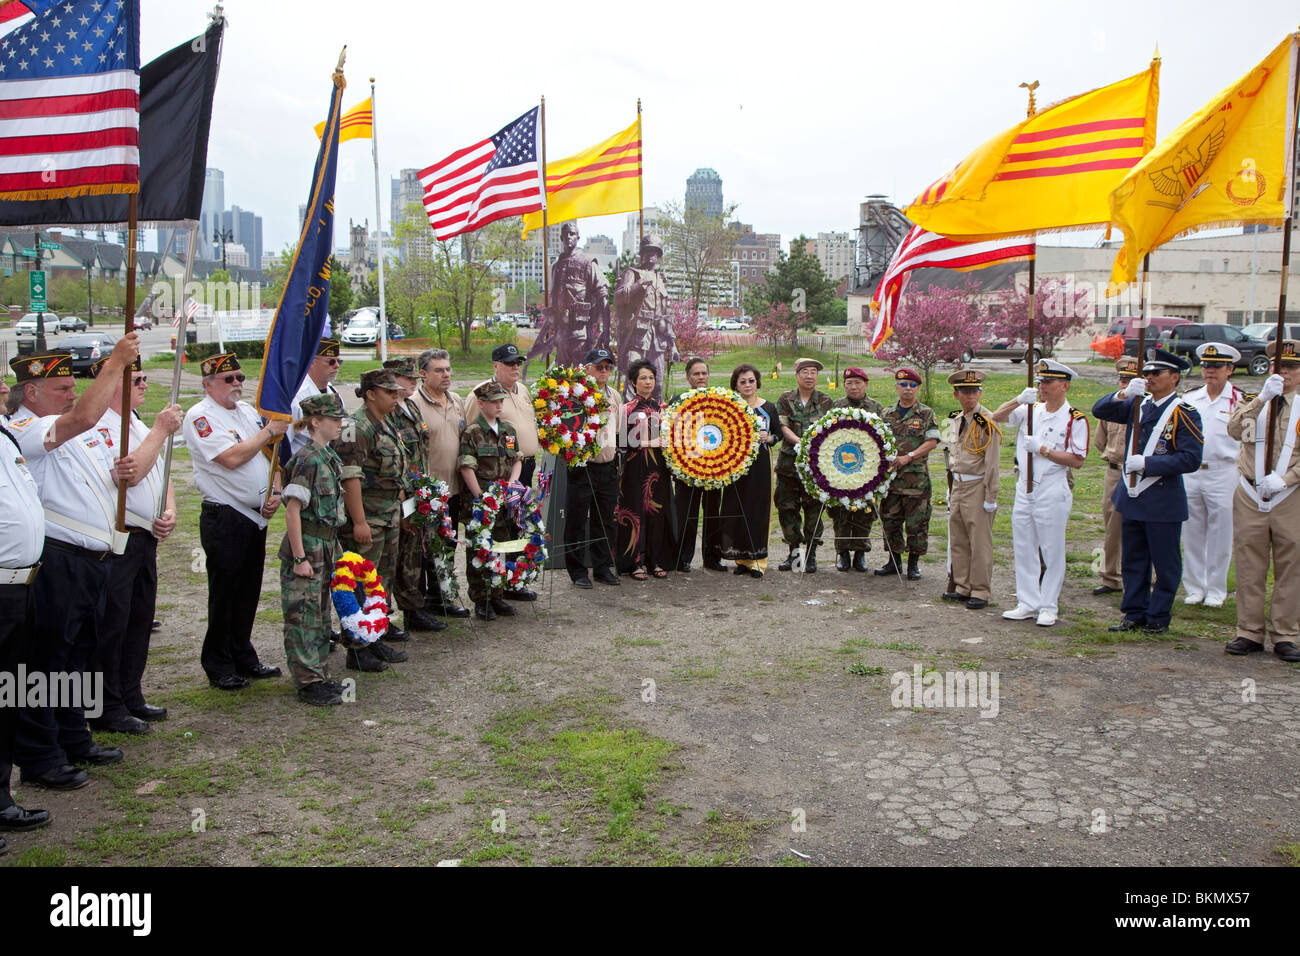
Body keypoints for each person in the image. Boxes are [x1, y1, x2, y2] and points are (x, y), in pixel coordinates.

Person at [7, 336, 140, 790]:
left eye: (71, 386)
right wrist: (116, 362)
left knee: (78, 657)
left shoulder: (66, 425)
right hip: (59, 561)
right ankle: (42, 755)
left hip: (93, 560)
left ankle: (73, 735)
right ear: (31, 391)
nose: (71, 394)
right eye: (63, 387)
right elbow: (82, 416)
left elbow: (93, 469)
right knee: (46, 662)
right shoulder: (25, 427)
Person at [183, 352, 287, 690]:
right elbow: (230, 457)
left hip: (255, 515)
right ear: (208, 384)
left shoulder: (244, 412)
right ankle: (218, 663)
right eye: (229, 380)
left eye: (240, 378)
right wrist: (268, 432)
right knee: (225, 594)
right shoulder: (202, 416)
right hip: (225, 515)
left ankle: (243, 654)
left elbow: (270, 458)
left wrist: (275, 491)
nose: (237, 385)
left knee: (248, 593)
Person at [91, 357, 182, 734]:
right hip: (118, 539)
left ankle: (131, 693)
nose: (145, 384)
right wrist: (161, 429)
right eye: (138, 379)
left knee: (139, 621)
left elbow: (161, 472)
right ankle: (106, 705)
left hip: (145, 536)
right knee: (112, 624)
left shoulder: (136, 422)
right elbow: (130, 472)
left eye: (145, 378)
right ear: (114, 383)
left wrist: (170, 509)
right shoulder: (100, 426)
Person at [1092, 348, 1204, 634]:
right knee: (1134, 560)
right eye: (1148, 373)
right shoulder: (1137, 404)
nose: (1150, 377)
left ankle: (1158, 615)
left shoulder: (1184, 412)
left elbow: (1190, 458)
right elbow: (1100, 411)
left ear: (1175, 377)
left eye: (1157, 373)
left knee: (1165, 563)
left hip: (1162, 497)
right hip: (1132, 497)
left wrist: (1149, 463)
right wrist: (1124, 394)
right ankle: (1134, 611)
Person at [990, 359, 1089, 627]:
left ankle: (1048, 604)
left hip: (1052, 485)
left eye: (1048, 382)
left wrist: (1044, 449)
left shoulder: (1074, 418)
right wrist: (1016, 400)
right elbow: (995, 417)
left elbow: (1077, 459)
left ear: (1065, 385)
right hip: (1025, 485)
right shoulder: (1030, 410)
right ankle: (1027, 601)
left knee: (1051, 548)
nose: (1042, 386)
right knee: (1023, 545)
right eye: (1040, 381)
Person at [1224, 339, 1300, 662]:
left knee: (1291, 564)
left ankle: (1286, 634)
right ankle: (1249, 631)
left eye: (1291, 367)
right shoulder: (1256, 400)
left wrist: (1287, 478)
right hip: (1251, 492)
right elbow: (1233, 429)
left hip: (1289, 493)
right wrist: (1262, 399)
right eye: (1278, 366)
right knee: (1249, 563)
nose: (1284, 373)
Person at [335, 369, 412, 670]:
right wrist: (359, 522)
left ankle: (374, 637)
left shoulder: (386, 421)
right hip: (367, 518)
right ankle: (356, 647)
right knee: (357, 583)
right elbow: (349, 477)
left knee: (380, 583)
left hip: (388, 516)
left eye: (396, 392)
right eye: (389, 392)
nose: (396, 397)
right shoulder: (356, 427)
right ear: (370, 394)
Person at [0, 405, 51, 845]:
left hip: (21, 586)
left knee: (10, 694)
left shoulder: (6, 434)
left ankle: (1, 799)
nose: (3, 387)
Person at [280, 393, 348, 705]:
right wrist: (299, 558)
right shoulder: (307, 460)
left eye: (340, 419)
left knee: (320, 614)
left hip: (325, 544)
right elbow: (292, 510)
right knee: (303, 615)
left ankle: (319, 674)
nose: (340, 425)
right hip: (307, 545)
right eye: (333, 419)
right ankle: (308, 682)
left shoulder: (328, 457)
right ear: (315, 421)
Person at [463, 343, 541, 602]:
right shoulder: (481, 395)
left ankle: (511, 583)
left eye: (518, 362)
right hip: (488, 481)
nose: (515, 367)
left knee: (514, 528)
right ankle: (488, 593)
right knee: (489, 536)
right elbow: (474, 436)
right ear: (496, 366)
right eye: (509, 363)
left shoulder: (523, 390)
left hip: (520, 471)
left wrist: (514, 483)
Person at [382, 356, 445, 633]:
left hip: (416, 492)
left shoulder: (411, 407)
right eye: (406, 378)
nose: (411, 383)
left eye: (413, 379)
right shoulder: (388, 411)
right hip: (397, 494)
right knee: (391, 559)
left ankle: (413, 609)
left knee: (413, 555)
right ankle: (382, 617)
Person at [1180, 343, 1246, 607]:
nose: (1210, 371)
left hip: (1224, 471)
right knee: (1192, 530)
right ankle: (1195, 586)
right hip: (1192, 471)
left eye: (1216, 366)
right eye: (1206, 365)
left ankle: (1217, 589)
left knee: (1221, 532)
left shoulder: (1240, 400)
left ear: (1230, 369)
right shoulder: (1190, 398)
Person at [411, 348, 470, 617]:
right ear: (423, 374)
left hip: (454, 489)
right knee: (426, 550)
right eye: (439, 370)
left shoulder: (456, 400)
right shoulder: (413, 404)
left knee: (447, 546)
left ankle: (443, 596)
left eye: (448, 369)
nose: (446, 374)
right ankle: (426, 601)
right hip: (429, 493)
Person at [459, 381, 523, 619]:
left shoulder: (507, 430)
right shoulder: (472, 432)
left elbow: (517, 458)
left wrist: (512, 485)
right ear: (480, 403)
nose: (499, 405)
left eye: (501, 401)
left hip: (503, 498)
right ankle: (481, 599)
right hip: (481, 501)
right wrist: (481, 498)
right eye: (494, 401)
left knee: (500, 546)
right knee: (479, 550)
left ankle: (497, 595)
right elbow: (467, 467)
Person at [941, 369, 1001, 610]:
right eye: (965, 392)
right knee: (958, 538)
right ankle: (962, 585)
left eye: (974, 391)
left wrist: (991, 495)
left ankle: (980, 590)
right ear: (956, 394)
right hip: (958, 483)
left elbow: (993, 462)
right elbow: (948, 453)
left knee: (979, 541)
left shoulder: (986, 421)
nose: (970, 397)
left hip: (977, 484)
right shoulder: (953, 418)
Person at [874, 367, 940, 581]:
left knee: (916, 524)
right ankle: (894, 562)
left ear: (918, 388)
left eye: (912, 385)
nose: (908, 389)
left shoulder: (926, 413)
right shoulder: (886, 413)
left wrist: (909, 456)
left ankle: (913, 564)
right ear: (897, 387)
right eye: (903, 385)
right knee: (890, 521)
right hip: (891, 481)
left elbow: (932, 441)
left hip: (915, 480)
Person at [564, 348, 623, 588]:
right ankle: (577, 571)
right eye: (599, 366)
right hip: (582, 466)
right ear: (586, 368)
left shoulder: (614, 396)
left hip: (607, 466)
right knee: (577, 520)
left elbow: (616, 431)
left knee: (605, 520)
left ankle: (601, 567)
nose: (604, 371)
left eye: (608, 367)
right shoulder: (575, 395)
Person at [615, 359, 677, 579]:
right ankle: (633, 563)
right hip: (635, 468)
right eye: (643, 378)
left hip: (659, 469)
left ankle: (656, 560)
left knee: (657, 513)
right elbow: (621, 440)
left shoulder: (663, 408)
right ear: (633, 382)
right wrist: (649, 443)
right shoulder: (627, 409)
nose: (648, 381)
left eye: (651, 377)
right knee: (634, 513)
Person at [719, 363, 780, 577]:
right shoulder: (729, 406)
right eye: (742, 381)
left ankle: (757, 560)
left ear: (757, 382)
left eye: (751, 381)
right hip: (734, 465)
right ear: (736, 384)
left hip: (760, 465)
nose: (747, 385)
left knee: (758, 509)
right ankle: (741, 559)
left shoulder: (768, 407)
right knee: (737, 508)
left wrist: (770, 437)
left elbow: (778, 434)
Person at [775, 357, 833, 571]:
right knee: (787, 508)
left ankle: (811, 554)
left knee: (814, 509)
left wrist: (814, 447)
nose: (810, 376)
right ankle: (794, 553)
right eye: (805, 372)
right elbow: (782, 426)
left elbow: (832, 430)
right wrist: (802, 443)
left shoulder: (826, 401)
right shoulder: (785, 399)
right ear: (797, 375)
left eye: (814, 372)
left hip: (816, 468)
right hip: (789, 465)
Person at [526, 222, 610, 369]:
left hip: (581, 334)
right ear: (561, 238)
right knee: (561, 381)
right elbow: (554, 306)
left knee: (583, 380)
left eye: (572, 234)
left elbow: (603, 297)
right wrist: (541, 339)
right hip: (561, 335)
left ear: (578, 237)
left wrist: (606, 331)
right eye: (566, 234)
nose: (569, 237)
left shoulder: (588, 263)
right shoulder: (557, 267)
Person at [1091, 356, 1140, 596]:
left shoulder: (1147, 406)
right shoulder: (1112, 406)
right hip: (1114, 469)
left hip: (1140, 472)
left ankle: (1143, 576)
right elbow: (1100, 441)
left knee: (1141, 525)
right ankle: (1110, 576)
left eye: (1130, 380)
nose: (1125, 385)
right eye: (1123, 380)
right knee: (1111, 524)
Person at [669, 357, 723, 572]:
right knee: (686, 515)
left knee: (713, 514)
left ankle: (712, 558)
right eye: (696, 374)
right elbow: (670, 434)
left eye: (704, 373)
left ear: (708, 375)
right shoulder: (678, 400)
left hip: (715, 469)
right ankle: (682, 558)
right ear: (688, 377)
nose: (701, 377)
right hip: (687, 470)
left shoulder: (720, 399)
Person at [830, 367, 884, 572]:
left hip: (868, 469)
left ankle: (860, 553)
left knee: (865, 510)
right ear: (844, 385)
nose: (853, 387)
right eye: (849, 383)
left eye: (857, 383)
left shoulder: (876, 408)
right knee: (841, 510)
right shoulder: (836, 407)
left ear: (866, 384)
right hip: (840, 467)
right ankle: (842, 553)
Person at [614, 234, 678, 402]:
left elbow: (666, 314)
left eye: (655, 252)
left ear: (659, 255)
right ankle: (629, 421)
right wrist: (637, 287)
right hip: (637, 336)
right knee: (633, 380)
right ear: (642, 253)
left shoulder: (660, 279)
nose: (651, 255)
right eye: (648, 251)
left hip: (657, 339)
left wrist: (673, 344)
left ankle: (656, 421)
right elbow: (618, 297)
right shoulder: (632, 273)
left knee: (657, 383)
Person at [287, 338, 343, 456]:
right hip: (305, 466)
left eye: (339, 361)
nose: (337, 366)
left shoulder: (333, 391)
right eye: (331, 362)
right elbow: (285, 442)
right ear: (312, 362)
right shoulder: (297, 396)